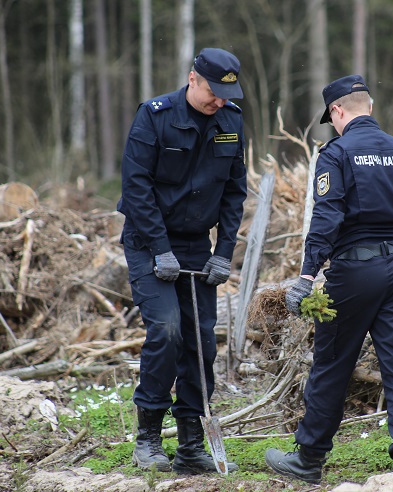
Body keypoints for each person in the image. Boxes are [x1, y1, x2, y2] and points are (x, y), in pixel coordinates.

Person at [265, 74, 393, 484]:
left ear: (337, 111)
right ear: (370, 107)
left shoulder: (337, 154)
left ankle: (308, 459)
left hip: (355, 272)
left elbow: (327, 217)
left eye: (333, 119)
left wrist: (306, 276)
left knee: (332, 363)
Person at [117, 47, 247, 475]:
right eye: (214, 92)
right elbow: (136, 187)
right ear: (193, 79)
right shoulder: (154, 116)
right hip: (148, 241)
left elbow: (234, 193)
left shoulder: (231, 122)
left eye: (227, 95)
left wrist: (224, 253)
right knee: (167, 330)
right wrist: (159, 248)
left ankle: (191, 444)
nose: (220, 102)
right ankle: (148, 439)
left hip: (196, 246)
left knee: (201, 342)